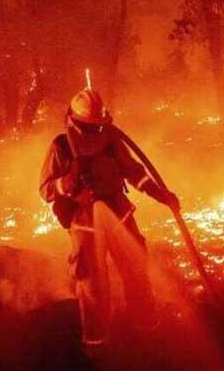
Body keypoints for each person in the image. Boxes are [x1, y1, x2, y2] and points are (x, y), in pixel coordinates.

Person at [39, 87, 179, 348]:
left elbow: (134, 172)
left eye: (98, 125)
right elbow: (45, 189)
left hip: (119, 216)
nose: (95, 131)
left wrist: (159, 193)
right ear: (75, 121)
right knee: (91, 283)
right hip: (85, 223)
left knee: (136, 268)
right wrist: (67, 181)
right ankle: (97, 341)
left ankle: (147, 326)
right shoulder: (61, 146)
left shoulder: (111, 139)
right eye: (89, 126)